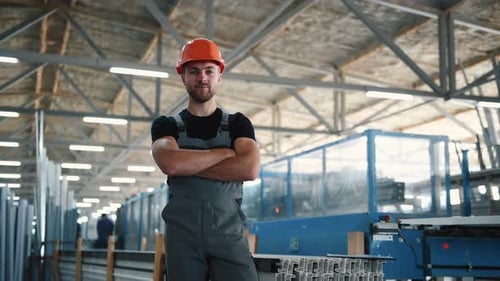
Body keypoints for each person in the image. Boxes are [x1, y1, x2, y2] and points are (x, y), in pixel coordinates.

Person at [151, 38, 260, 281]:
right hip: (183, 239)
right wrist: (224, 153)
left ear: (219, 75)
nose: (202, 77)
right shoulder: (166, 125)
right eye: (194, 71)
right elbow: (171, 164)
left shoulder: (237, 124)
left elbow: (250, 168)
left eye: (209, 71)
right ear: (183, 77)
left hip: (228, 234)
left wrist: (188, 164)